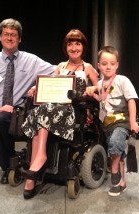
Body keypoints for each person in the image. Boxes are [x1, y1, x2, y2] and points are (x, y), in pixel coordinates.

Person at [0, 18, 56, 184]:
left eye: (13, 34)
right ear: (0, 37)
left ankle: (25, 165)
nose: (9, 37)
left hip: (22, 111)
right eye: (6, 34)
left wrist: (81, 71)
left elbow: (56, 70)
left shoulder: (32, 60)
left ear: (19, 38)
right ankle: (9, 166)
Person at [21, 29, 99, 199]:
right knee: (39, 110)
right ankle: (38, 160)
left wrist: (93, 88)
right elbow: (50, 86)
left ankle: (36, 166)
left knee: (44, 111)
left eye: (77, 43)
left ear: (83, 47)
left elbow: (102, 90)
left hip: (74, 111)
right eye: (70, 44)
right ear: (66, 47)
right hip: (54, 109)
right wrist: (36, 88)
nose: (74, 47)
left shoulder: (88, 68)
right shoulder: (60, 67)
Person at [86, 46, 139, 196]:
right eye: (104, 63)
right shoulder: (100, 84)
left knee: (115, 143)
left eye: (111, 63)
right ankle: (121, 183)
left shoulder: (122, 80)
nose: (108, 66)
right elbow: (103, 101)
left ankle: (114, 171)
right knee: (118, 151)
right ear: (99, 65)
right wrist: (91, 92)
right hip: (107, 124)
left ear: (117, 65)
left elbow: (131, 100)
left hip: (121, 122)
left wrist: (133, 122)